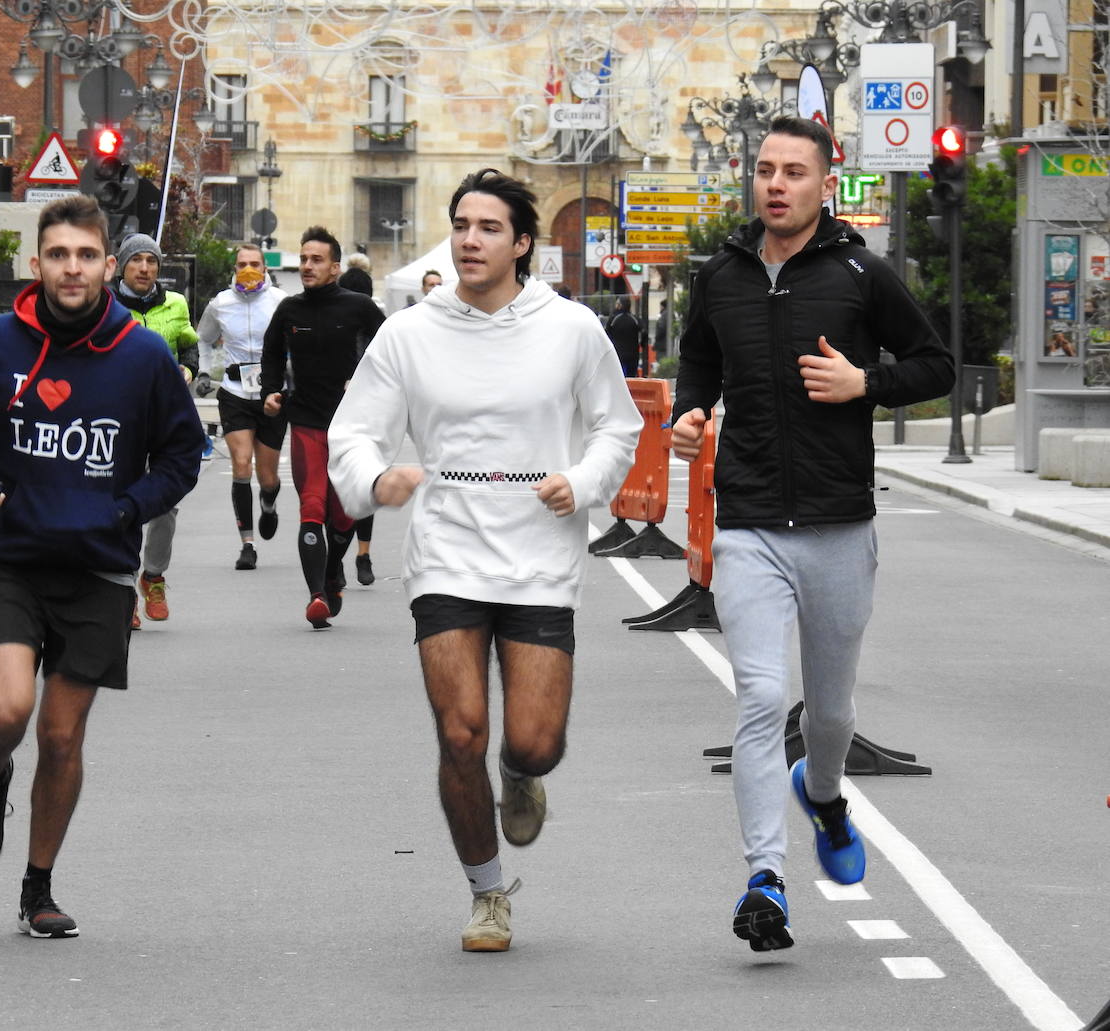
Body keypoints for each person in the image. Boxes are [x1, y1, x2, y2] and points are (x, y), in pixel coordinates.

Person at [328, 169, 641, 952]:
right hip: (448, 555)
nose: (470, 239)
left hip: (539, 554)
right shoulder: (410, 331)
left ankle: (521, 770)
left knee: (534, 740)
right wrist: (376, 479)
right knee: (459, 732)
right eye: (461, 224)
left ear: (522, 242)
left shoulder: (569, 328)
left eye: (489, 227)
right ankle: (487, 891)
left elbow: (617, 427)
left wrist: (584, 479)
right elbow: (352, 432)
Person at [669, 117, 954, 953]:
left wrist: (866, 381)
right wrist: (690, 415)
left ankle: (823, 794)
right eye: (765, 170)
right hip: (749, 522)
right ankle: (766, 877)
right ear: (751, 180)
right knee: (760, 698)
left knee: (826, 713)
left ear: (825, 184)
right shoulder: (720, 275)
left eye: (794, 171)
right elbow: (698, 363)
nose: (776, 184)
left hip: (837, 524)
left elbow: (934, 362)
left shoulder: (862, 272)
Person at [0, 195, 204, 939]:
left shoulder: (142, 355)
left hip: (101, 570)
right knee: (7, 713)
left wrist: (128, 506)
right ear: (34, 263)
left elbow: (180, 455)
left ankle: (37, 886)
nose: (70, 269)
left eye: (84, 256)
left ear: (108, 266)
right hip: (11, 558)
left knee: (63, 737)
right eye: (56, 255)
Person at [261, 227, 385, 627]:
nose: (307, 266)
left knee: (346, 512)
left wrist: (372, 386)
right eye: (303, 259)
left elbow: (390, 349)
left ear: (335, 267)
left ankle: (333, 572)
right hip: (308, 422)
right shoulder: (289, 310)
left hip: (352, 426)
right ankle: (317, 596)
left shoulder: (359, 307)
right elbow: (272, 352)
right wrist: (271, 388)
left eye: (316, 260)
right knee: (312, 505)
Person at [112, 233, 200, 626]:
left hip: (165, 415)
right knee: (124, 503)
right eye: (137, 261)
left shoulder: (176, 304)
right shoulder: (106, 305)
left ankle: (153, 576)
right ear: (122, 266)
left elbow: (190, 346)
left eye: (151, 261)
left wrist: (188, 368)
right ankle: (124, 587)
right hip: (120, 417)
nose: (145, 268)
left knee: (165, 503)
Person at [196, 242, 289, 570]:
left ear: (265, 268)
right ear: (233, 270)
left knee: (267, 476)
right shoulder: (221, 304)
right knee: (240, 463)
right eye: (241, 264)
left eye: (254, 263)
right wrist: (205, 372)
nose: (248, 269)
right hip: (235, 392)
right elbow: (203, 339)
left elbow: (295, 341)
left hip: (272, 395)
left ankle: (268, 502)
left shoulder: (280, 301)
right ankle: (247, 544)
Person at [333, 254, 380, 586]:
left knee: (337, 488)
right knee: (366, 482)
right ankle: (363, 553)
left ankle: (336, 555)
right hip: (371, 411)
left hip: (335, 410)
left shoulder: (337, 320)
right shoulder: (378, 323)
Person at [605, 295, 641, 377]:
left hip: (618, 353)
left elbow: (607, 334)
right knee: (631, 377)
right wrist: (641, 344)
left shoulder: (613, 319)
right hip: (633, 353)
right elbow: (643, 331)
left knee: (619, 376)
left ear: (620, 305)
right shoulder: (634, 319)